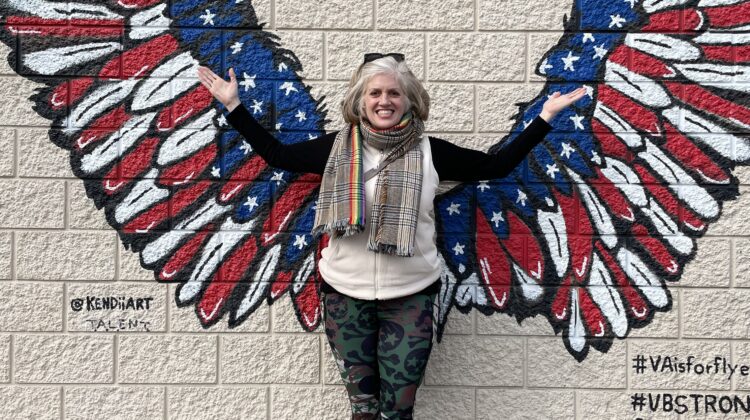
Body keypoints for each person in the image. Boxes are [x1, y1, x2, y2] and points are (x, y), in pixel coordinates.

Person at [197, 53, 586, 419]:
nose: (385, 101)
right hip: (344, 294)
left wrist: (546, 116)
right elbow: (277, 155)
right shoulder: (335, 150)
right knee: (363, 409)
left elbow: (498, 166)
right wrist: (233, 106)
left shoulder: (431, 152)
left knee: (398, 408)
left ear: (409, 100)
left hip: (412, 295)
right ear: (360, 101)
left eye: (394, 92)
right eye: (375, 93)